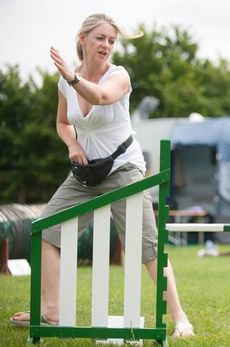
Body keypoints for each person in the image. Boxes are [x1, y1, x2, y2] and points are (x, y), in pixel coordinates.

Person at [10, 13, 194, 338]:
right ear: (83, 38)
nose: (107, 45)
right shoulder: (64, 83)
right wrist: (71, 145)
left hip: (124, 169)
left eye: (112, 40)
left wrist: (72, 77)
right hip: (85, 173)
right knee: (44, 231)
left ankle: (180, 319)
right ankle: (51, 314)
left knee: (146, 246)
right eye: (101, 38)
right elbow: (63, 123)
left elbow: (102, 97)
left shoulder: (119, 76)